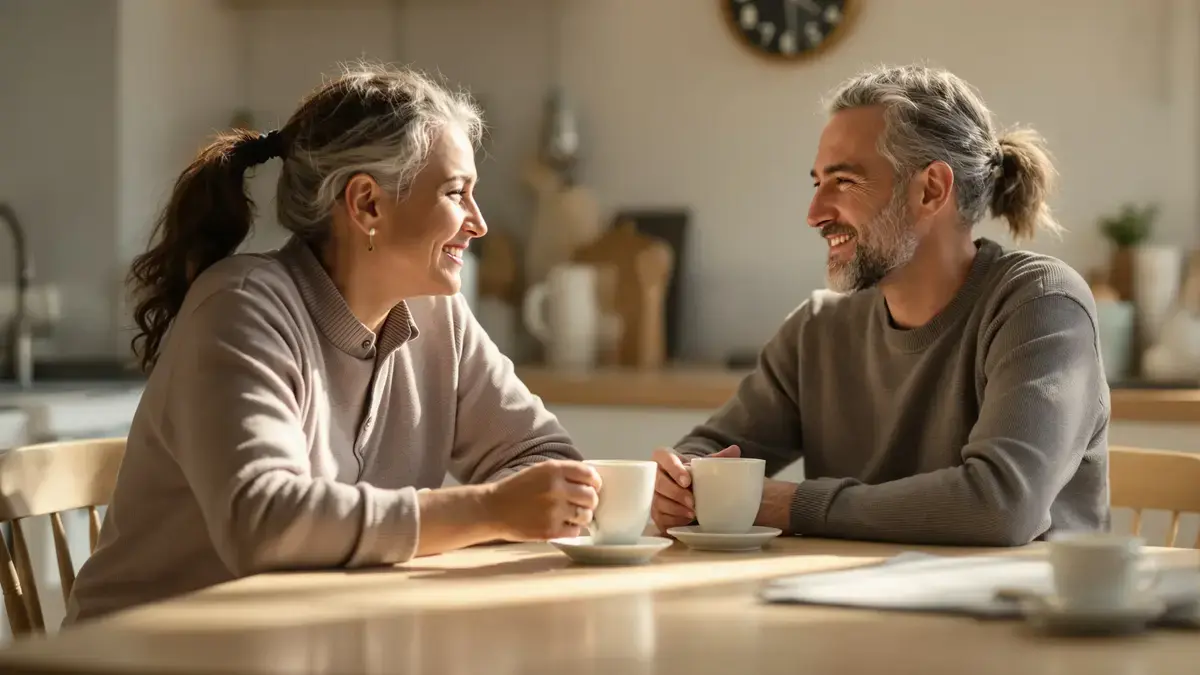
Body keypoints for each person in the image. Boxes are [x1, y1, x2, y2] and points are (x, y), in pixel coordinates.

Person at [66, 63, 601, 623]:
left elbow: (542, 458)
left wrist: (538, 502)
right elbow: (267, 521)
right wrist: (490, 510)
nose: (478, 222)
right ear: (367, 203)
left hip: (308, 641)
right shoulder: (242, 308)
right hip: (147, 653)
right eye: (455, 193)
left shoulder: (439, 316)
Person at [651, 65, 1109, 547]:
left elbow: (1001, 505)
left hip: (1014, 615)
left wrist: (787, 504)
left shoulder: (1040, 305)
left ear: (931, 189)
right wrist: (680, 484)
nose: (815, 214)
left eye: (844, 181)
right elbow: (709, 451)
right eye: (817, 183)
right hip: (853, 608)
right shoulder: (818, 329)